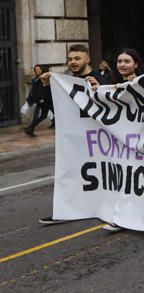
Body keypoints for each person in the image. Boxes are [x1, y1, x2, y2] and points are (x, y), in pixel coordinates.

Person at [39, 45, 108, 225]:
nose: (73, 62)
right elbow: (54, 106)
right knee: (69, 173)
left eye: (77, 58)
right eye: (70, 59)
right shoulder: (66, 81)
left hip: (98, 138)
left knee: (102, 173)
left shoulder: (100, 78)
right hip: (75, 139)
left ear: (87, 59)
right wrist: (48, 85)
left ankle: (104, 207)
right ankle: (64, 210)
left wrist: (99, 87)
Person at [101, 48, 144, 233]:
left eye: (127, 61)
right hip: (123, 144)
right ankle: (120, 218)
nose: (122, 64)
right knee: (126, 180)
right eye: (119, 61)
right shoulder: (111, 84)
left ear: (136, 64)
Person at [23, 64, 53, 137]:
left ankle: (30, 128)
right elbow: (36, 90)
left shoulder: (41, 77)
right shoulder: (40, 78)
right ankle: (30, 128)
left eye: (38, 69)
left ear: (42, 69)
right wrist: (32, 99)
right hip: (44, 100)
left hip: (45, 99)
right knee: (46, 114)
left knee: (43, 115)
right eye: (36, 69)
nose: (37, 70)